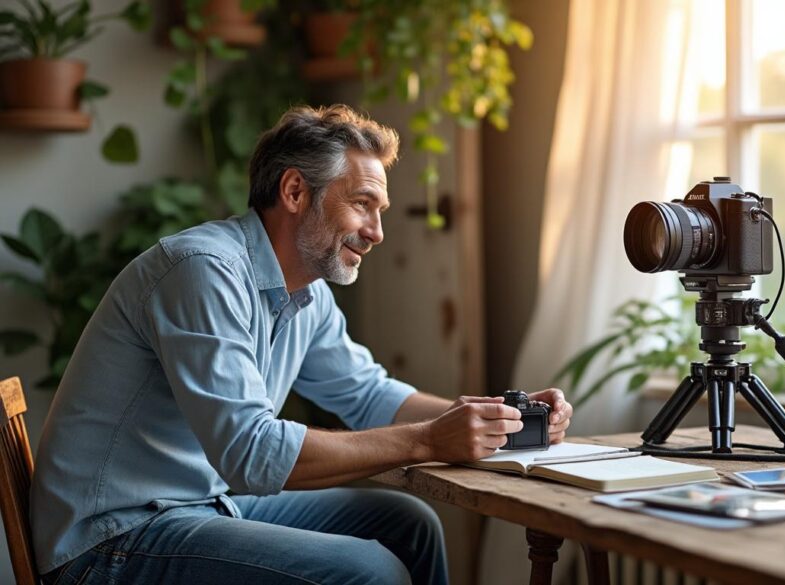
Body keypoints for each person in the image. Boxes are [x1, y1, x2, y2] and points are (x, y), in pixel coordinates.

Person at [30, 105, 574, 585]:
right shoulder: (203, 271)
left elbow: (369, 396)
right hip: (108, 544)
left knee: (410, 525)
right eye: (363, 204)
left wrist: (496, 419)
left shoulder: (305, 298)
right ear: (294, 192)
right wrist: (429, 441)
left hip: (202, 508)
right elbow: (251, 454)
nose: (377, 231)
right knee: (370, 571)